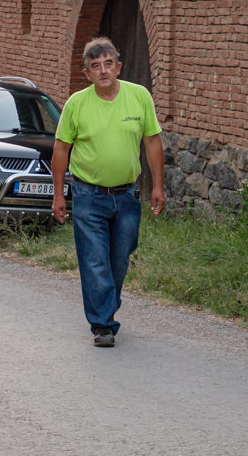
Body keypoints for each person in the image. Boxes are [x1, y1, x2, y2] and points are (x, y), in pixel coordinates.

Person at [51, 36, 164, 348]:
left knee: (119, 257)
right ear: (87, 73)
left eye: (108, 64)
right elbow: (61, 150)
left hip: (127, 196)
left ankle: (105, 305)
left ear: (118, 67)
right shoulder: (77, 104)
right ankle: (103, 323)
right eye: (95, 66)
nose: (103, 71)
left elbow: (152, 142)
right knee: (94, 259)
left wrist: (157, 186)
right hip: (88, 195)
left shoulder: (139, 97)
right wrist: (59, 194)